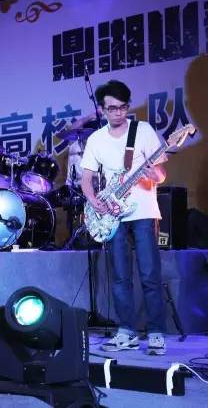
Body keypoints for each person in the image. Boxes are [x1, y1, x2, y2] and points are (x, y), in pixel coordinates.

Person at [80, 80, 167, 355]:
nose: (117, 113)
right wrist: (94, 201)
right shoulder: (96, 139)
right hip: (113, 215)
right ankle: (126, 331)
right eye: (111, 108)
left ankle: (156, 333)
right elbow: (86, 178)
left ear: (128, 106)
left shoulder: (143, 131)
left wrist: (154, 174)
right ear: (102, 109)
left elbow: (161, 174)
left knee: (149, 274)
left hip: (143, 212)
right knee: (119, 277)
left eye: (122, 107)